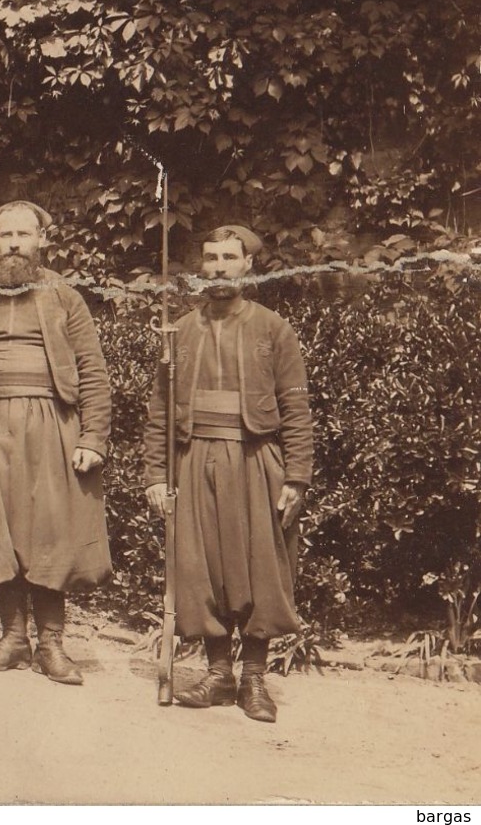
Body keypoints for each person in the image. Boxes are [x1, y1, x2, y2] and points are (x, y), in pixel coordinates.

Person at [0, 200, 113, 683]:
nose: (13, 244)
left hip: (51, 425)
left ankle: (52, 644)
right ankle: (13, 638)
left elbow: (93, 371)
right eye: (5, 234)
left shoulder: (64, 297)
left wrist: (93, 436)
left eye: (23, 235)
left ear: (41, 241)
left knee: (49, 533)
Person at [143, 224, 314, 723]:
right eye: (211, 258)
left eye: (228, 258)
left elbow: (297, 410)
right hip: (193, 460)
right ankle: (218, 675)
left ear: (248, 265)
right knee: (202, 568)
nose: (218, 267)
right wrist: (156, 472)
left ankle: (254, 681)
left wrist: (297, 477)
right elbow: (160, 409)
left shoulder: (272, 328)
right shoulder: (182, 328)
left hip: (255, 459)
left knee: (261, 568)